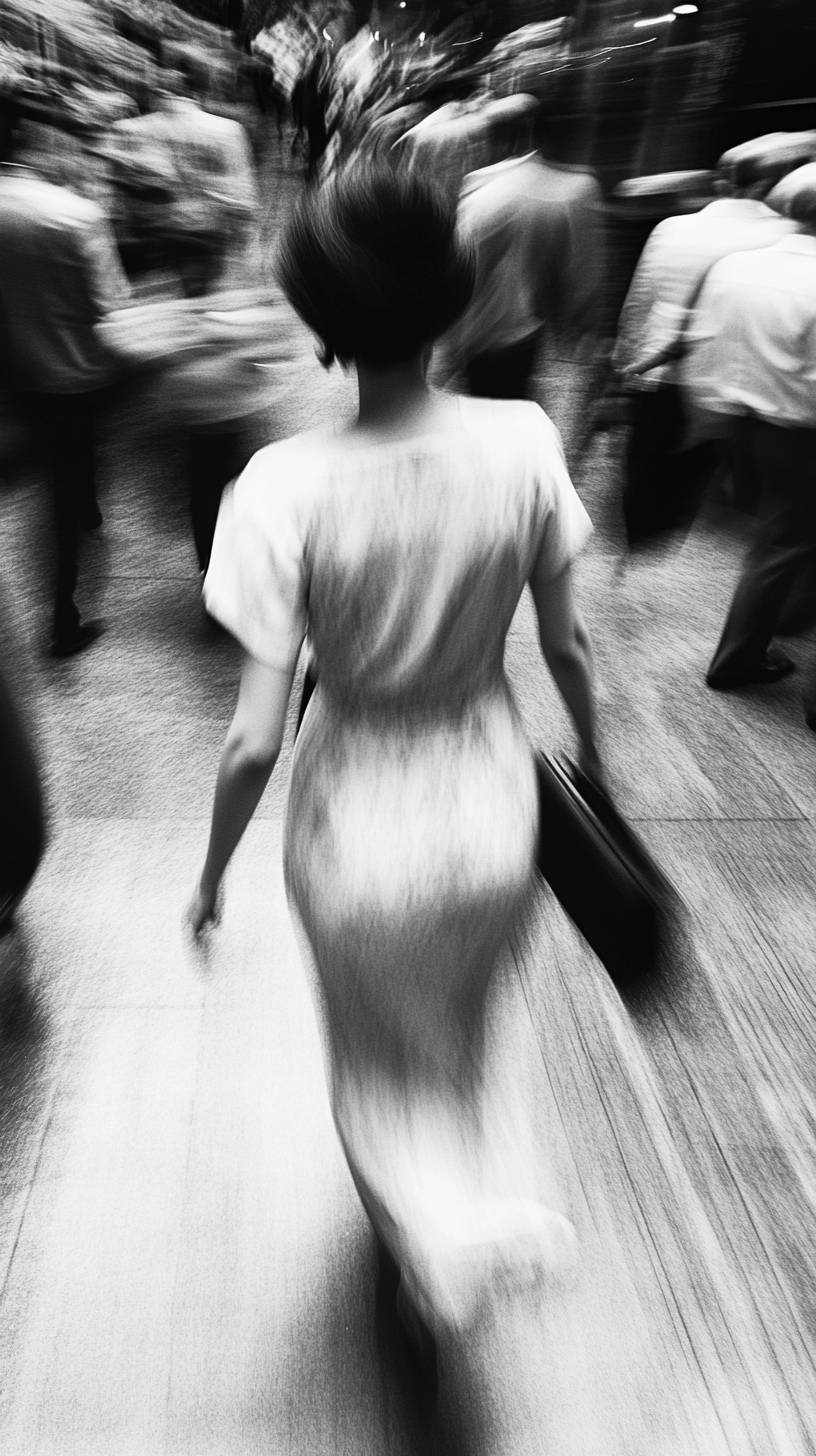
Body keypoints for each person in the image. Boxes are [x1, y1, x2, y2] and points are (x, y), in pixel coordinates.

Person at [186, 164, 604, 1373]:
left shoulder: (281, 488)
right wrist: (598, 766)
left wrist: (210, 875)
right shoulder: (524, 441)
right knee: (460, 1039)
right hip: (490, 797)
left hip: (353, 810)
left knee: (373, 1049)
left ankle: (429, 1232)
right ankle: (466, 1202)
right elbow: (568, 645)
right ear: (451, 301)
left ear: (319, 319)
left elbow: (257, 735)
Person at [612, 132, 811, 549]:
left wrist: (626, 358)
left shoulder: (674, 227)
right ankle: (670, 535)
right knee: (690, 473)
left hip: (658, 371)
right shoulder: (779, 239)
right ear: (766, 186)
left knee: (647, 464)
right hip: (719, 381)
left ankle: (635, 539)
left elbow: (642, 298)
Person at [0, 89, 130, 657]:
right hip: (73, 375)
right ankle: (62, 615)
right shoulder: (75, 215)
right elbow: (109, 304)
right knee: (67, 478)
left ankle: (82, 504)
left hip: (16, 377)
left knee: (55, 472)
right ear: (31, 139)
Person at [681, 162, 816, 707]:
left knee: (783, 541)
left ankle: (766, 633)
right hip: (806, 435)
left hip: (749, 428)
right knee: (786, 542)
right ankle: (743, 661)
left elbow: (708, 349)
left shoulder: (737, 267)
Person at [434, 93, 605, 461]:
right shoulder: (568, 190)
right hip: (506, 334)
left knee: (486, 422)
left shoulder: (482, 186)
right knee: (499, 429)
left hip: (480, 331)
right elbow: (581, 279)